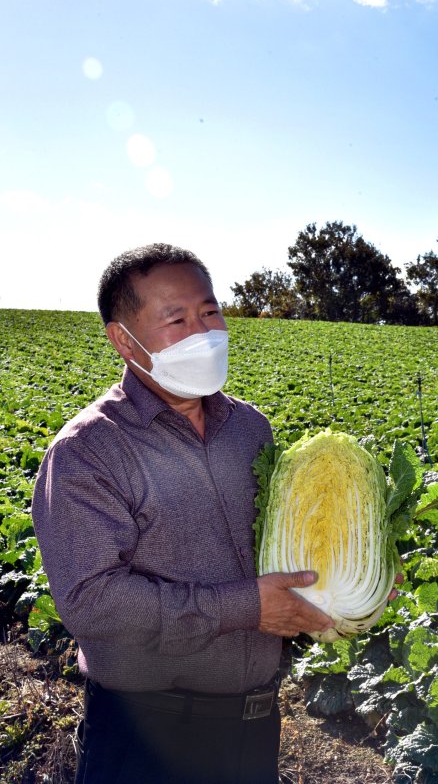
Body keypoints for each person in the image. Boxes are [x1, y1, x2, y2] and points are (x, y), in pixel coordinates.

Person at [32, 243, 335, 784]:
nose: (203, 332)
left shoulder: (250, 428)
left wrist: (339, 587)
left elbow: (274, 550)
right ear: (124, 340)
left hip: (254, 730)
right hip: (147, 738)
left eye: (210, 311)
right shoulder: (87, 452)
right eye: (177, 319)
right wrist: (246, 607)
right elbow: (93, 606)